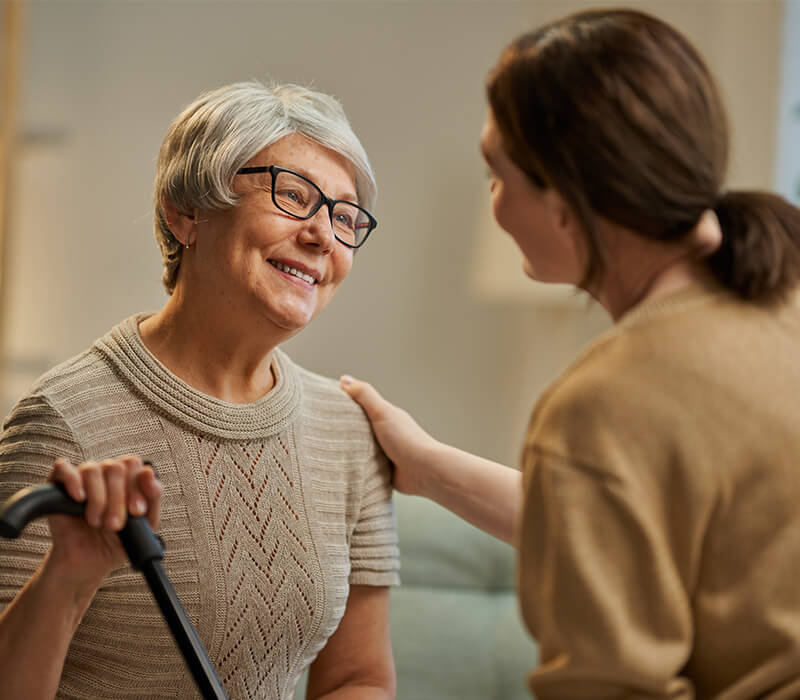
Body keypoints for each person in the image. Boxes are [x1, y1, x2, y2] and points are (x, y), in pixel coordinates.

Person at [341, 8, 800, 699]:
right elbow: (638, 527)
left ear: (564, 200)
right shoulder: (779, 294)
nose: (492, 200)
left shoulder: (608, 402)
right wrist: (429, 468)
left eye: (497, 173)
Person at [0, 81, 399, 700]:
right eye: (294, 195)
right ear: (185, 211)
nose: (324, 235)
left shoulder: (348, 430)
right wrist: (66, 580)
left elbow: (358, 677)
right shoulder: (63, 419)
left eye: (345, 217)